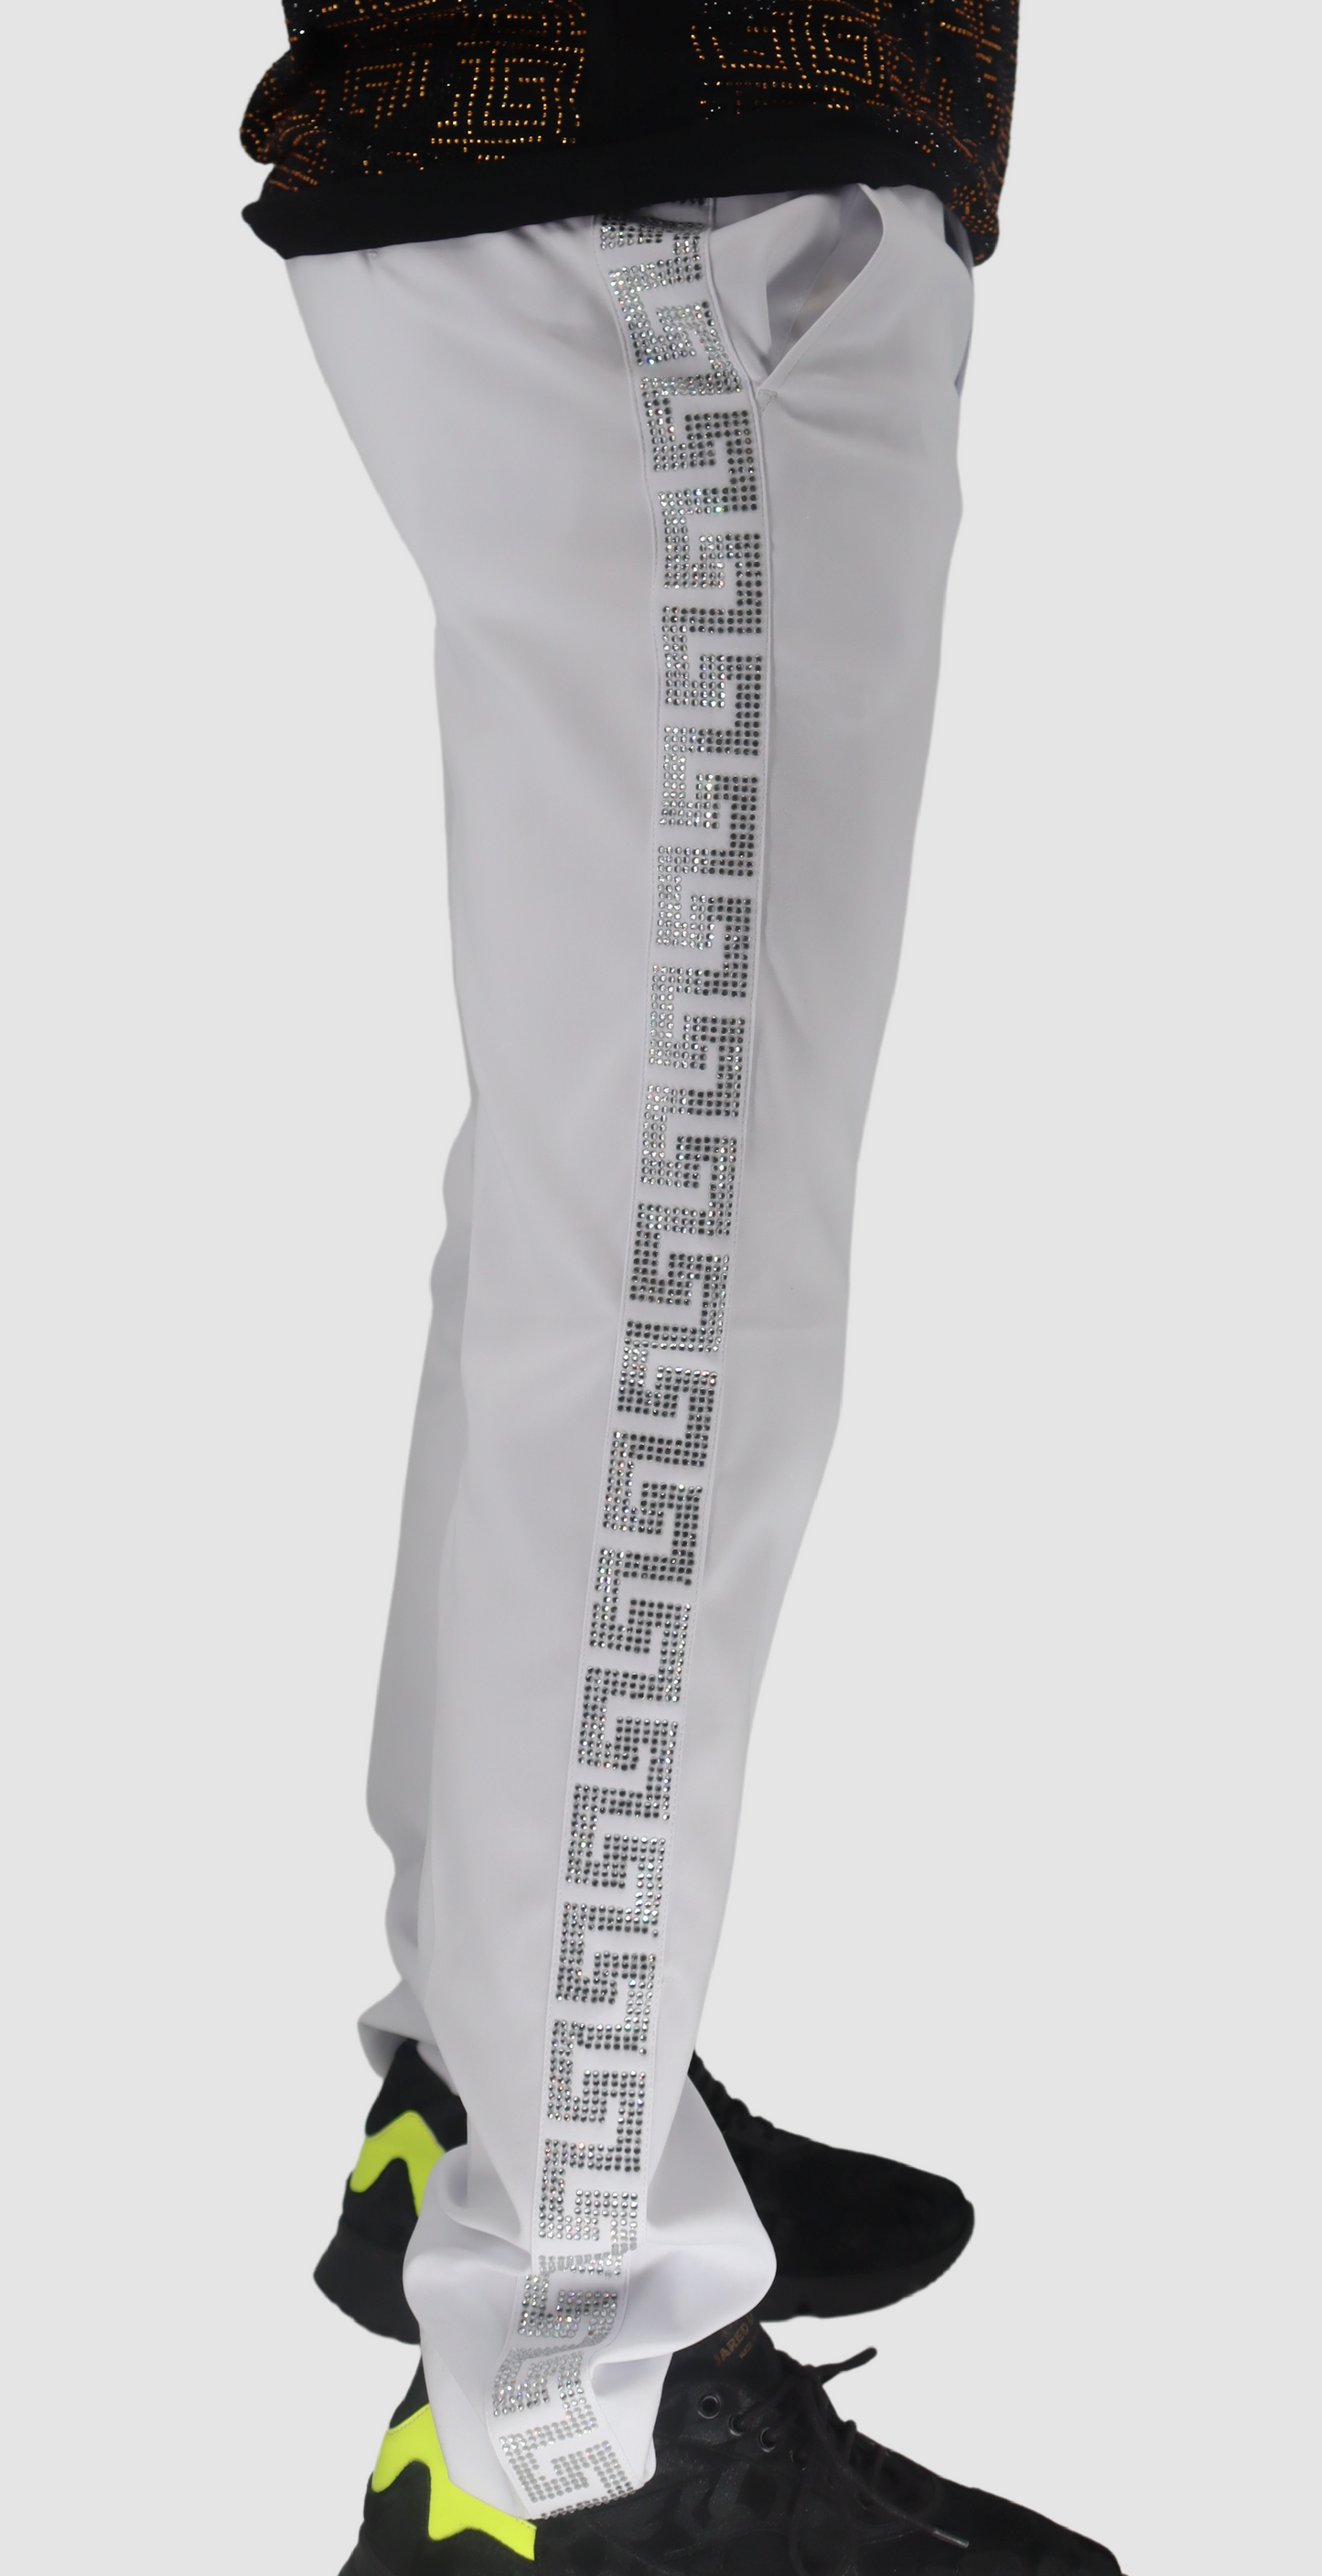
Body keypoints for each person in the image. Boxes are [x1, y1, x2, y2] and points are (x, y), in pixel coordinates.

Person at [242, 9, 1123, 2571]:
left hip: (661, 160)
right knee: (672, 1266)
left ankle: (503, 2094)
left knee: (619, 1209)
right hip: (680, 177)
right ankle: (564, 2403)